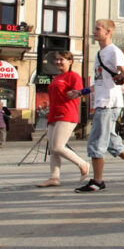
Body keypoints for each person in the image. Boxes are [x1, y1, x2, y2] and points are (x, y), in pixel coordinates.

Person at [69, 19, 124, 192]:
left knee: (96, 141)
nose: (94, 31)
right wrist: (81, 92)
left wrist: (123, 77)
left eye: (98, 29)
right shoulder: (99, 54)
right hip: (103, 100)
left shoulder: (114, 51)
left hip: (108, 103)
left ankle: (98, 181)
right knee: (112, 141)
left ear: (108, 31)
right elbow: (101, 81)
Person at [37, 51, 90, 187]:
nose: (58, 62)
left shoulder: (74, 76)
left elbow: (78, 93)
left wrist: (74, 94)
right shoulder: (56, 77)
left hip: (67, 113)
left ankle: (83, 164)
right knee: (52, 149)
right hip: (53, 114)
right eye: (57, 59)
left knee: (58, 146)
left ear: (70, 61)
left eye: (62, 59)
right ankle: (54, 177)